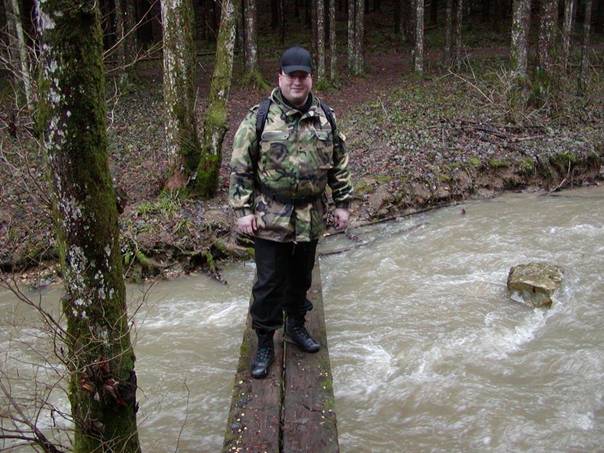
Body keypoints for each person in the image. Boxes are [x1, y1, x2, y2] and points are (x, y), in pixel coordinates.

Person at [228, 46, 353, 379]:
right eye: (291, 76)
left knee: (301, 278)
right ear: (280, 77)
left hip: (311, 217)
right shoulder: (259, 117)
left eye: (303, 76)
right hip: (269, 217)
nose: (297, 82)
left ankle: (296, 325)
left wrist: (342, 204)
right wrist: (243, 210)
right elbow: (240, 166)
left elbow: (339, 163)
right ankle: (264, 341)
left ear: (310, 78)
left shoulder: (325, 116)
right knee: (268, 283)